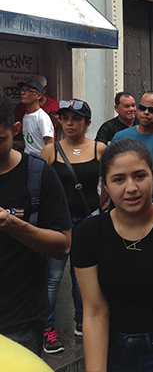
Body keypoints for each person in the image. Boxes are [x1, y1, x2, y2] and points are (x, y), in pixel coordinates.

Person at [72, 138, 153, 372]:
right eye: (119, 179)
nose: (131, 188)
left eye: (139, 176)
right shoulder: (87, 234)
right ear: (105, 184)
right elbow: (94, 311)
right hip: (114, 348)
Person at [0, 93, 71, 356]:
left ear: (15, 129)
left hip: (19, 320)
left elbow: (62, 245)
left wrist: (12, 224)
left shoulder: (39, 174)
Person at [39, 99, 106, 353]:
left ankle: (82, 321)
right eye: (65, 118)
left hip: (88, 221)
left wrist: (102, 206)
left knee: (83, 277)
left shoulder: (100, 148)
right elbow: (41, 186)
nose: (69, 123)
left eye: (76, 119)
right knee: (52, 279)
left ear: (87, 123)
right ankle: (47, 329)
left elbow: (110, 179)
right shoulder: (51, 151)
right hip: (57, 224)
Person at [14, 75, 59, 148]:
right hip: (28, 156)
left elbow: (50, 145)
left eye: (29, 91)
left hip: (40, 157)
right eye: (23, 90)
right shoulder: (26, 116)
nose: (23, 93)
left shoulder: (42, 118)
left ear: (39, 96)